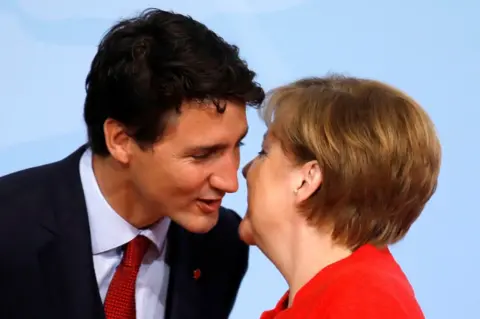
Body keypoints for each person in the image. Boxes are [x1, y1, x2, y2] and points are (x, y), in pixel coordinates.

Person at [0, 8, 264, 319]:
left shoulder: (222, 244)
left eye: (238, 146)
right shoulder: (9, 227)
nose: (230, 182)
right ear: (121, 140)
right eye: (203, 155)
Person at [239, 75, 441, 319]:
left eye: (264, 152)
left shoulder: (361, 307)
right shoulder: (349, 297)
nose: (245, 169)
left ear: (307, 179)